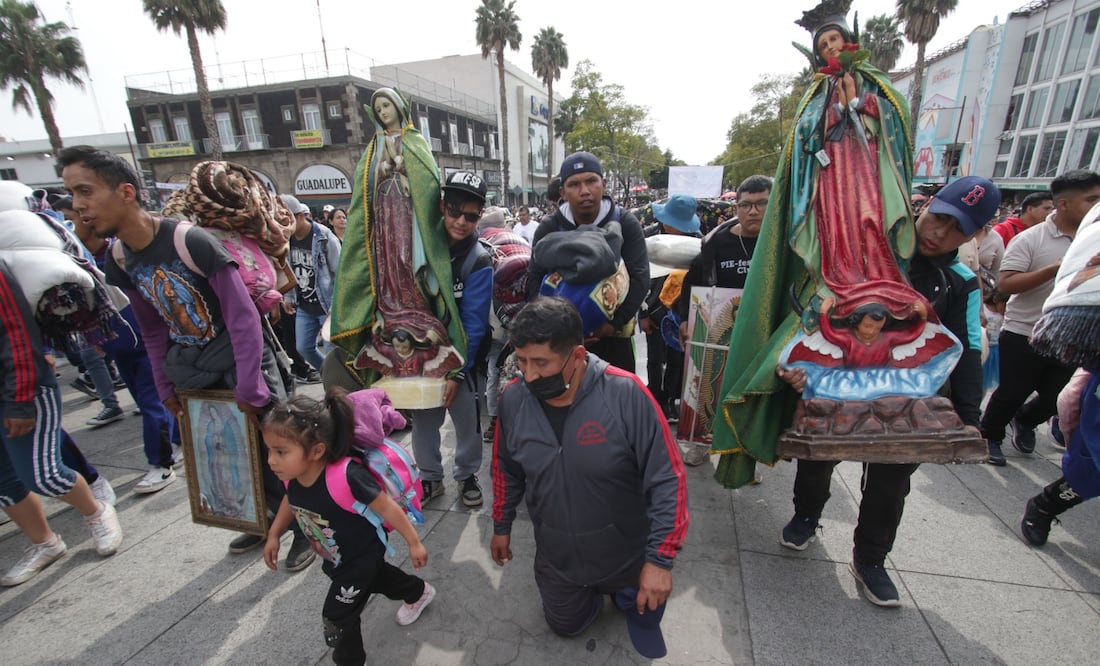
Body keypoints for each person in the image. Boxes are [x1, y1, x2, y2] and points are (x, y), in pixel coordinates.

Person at [58, 145, 315, 571]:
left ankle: (306, 527)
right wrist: (165, 388)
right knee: (229, 451)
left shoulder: (190, 241)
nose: (78, 205)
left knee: (279, 453)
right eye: (72, 194)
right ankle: (262, 519)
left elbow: (243, 320)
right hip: (193, 369)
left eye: (85, 191)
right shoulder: (119, 258)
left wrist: (251, 385)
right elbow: (154, 330)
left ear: (125, 191)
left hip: (245, 363)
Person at [709, 7, 923, 489]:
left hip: (869, 179)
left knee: (869, 227)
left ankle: (873, 272)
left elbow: (897, 135)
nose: (830, 51)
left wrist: (863, 110)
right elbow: (801, 153)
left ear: (851, 44)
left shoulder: (880, 90)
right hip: (827, 192)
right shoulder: (813, 99)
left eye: (835, 43)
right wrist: (828, 118)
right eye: (823, 46)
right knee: (835, 242)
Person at [775, 176, 995, 607]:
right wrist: (794, 367)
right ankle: (806, 514)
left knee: (891, 480)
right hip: (840, 386)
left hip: (907, 397)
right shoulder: (871, 255)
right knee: (817, 457)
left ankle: (871, 558)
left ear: (975, 235)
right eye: (938, 218)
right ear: (926, 205)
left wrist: (970, 417)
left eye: (957, 230)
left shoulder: (961, 281)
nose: (938, 233)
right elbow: (811, 319)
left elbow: (967, 346)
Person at [491, 297, 688, 658]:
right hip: (558, 556)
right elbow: (505, 468)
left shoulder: (627, 394)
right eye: (521, 361)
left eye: (541, 363)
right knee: (565, 626)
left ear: (578, 356)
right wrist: (501, 525)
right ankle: (589, 597)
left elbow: (668, 479)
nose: (529, 375)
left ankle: (625, 593)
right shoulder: (513, 399)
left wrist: (660, 561)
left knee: (645, 612)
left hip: (627, 553)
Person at [262, 390, 434, 666]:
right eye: (269, 450)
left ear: (317, 450)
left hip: (359, 557)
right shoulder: (294, 476)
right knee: (378, 580)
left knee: (337, 615)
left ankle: (350, 660)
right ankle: (417, 591)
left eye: (281, 452)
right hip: (338, 557)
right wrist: (273, 534)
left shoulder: (347, 476)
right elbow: (290, 501)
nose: (271, 460)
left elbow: (387, 506)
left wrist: (414, 542)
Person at [1, 260, 123, 586]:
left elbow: (16, 333)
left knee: (44, 475)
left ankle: (96, 511)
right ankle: (46, 543)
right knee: (4, 483)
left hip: (20, 392)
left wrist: (19, 400)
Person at [330, 87, 464, 383]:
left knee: (407, 259)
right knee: (387, 264)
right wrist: (384, 169)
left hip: (409, 216)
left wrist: (403, 168)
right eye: (378, 108)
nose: (383, 112)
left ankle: (417, 310)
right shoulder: (371, 149)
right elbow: (363, 193)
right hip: (384, 215)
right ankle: (391, 313)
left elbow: (428, 184)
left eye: (386, 105)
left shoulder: (416, 142)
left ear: (399, 107)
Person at [54, 194, 181, 493]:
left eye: (73, 219)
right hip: (117, 346)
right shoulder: (79, 262)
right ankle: (174, 442)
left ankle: (161, 465)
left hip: (147, 344)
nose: (75, 225)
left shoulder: (123, 253)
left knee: (153, 403)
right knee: (147, 402)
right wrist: (94, 338)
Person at [981, 170, 1100, 465]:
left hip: (1073, 337)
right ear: (1064, 203)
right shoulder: (1030, 239)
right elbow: (1005, 284)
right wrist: (1054, 270)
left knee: (1055, 396)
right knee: (1011, 392)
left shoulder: (1093, 240)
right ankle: (990, 435)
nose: (1097, 207)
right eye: (1092, 200)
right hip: (1024, 331)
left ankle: (1026, 420)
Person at [410, 171, 492, 507]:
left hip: (465, 360)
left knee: (468, 422)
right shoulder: (420, 249)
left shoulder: (479, 259)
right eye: (454, 211)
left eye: (471, 216)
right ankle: (430, 478)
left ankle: (467, 474)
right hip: (421, 357)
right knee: (424, 423)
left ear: (480, 216)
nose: (461, 221)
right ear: (441, 206)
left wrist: (458, 373)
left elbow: (473, 323)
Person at [528, 152, 649, 373]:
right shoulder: (549, 227)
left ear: (603, 185)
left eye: (591, 181)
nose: (584, 191)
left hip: (613, 339)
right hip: (561, 344)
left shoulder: (625, 223)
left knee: (617, 404)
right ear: (562, 192)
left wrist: (612, 325)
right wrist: (558, 330)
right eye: (574, 184)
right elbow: (534, 279)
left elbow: (641, 278)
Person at [282, 194, 341, 377]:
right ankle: (331, 376)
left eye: (287, 219)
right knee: (303, 347)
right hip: (305, 305)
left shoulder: (323, 236)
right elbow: (287, 269)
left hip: (327, 305)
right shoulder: (286, 238)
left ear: (300, 216)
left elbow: (340, 271)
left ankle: (338, 386)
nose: (284, 225)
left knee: (333, 351)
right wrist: (289, 297)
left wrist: (336, 304)